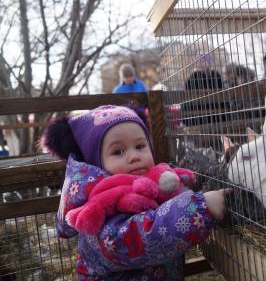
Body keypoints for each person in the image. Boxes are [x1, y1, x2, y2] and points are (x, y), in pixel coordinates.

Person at [40, 104, 230, 279]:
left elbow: (175, 198)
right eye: (118, 152)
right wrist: (199, 208)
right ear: (96, 163)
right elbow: (135, 239)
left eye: (140, 146)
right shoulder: (98, 207)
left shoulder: (151, 184)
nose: (134, 157)